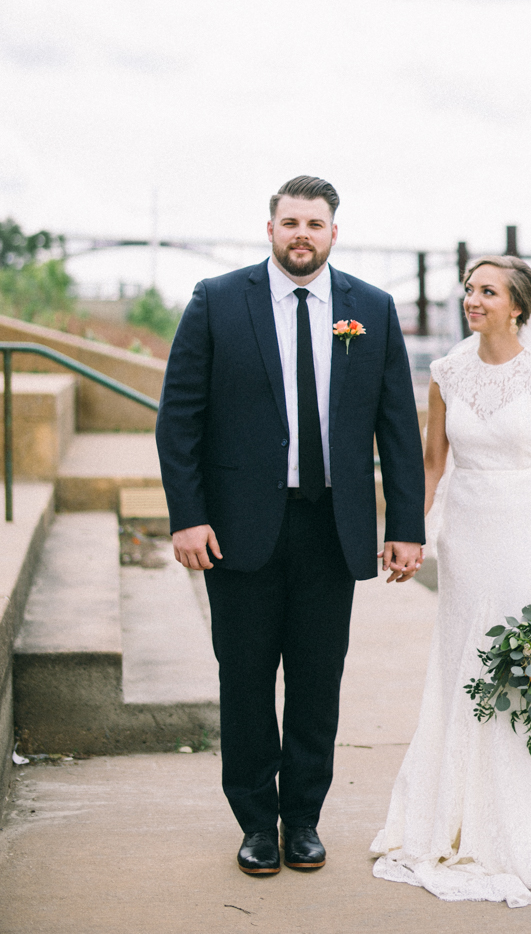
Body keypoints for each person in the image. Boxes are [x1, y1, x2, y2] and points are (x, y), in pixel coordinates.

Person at [156, 176, 425, 877]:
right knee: (245, 680)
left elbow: (398, 426)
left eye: (315, 223)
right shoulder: (217, 301)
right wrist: (188, 517)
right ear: (269, 228)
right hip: (238, 531)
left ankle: (302, 819)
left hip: (331, 530)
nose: (301, 234)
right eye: (289, 222)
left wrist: (406, 524)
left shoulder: (372, 308)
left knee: (315, 683)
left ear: (335, 233)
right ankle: (254, 821)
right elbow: (178, 419)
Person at [371, 255, 531, 907]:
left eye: (486, 291)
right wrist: (407, 531)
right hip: (465, 536)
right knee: (459, 666)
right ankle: (444, 816)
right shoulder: (445, 373)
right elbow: (433, 463)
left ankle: (516, 826)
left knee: (512, 673)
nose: (472, 299)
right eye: (469, 289)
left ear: (516, 305)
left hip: (525, 535)